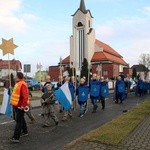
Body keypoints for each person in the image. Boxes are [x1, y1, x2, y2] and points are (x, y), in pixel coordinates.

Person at [9, 72, 30, 143]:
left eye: (15, 76)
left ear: (18, 76)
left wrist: (23, 106)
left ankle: (16, 137)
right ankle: (25, 131)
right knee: (19, 119)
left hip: (20, 106)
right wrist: (11, 101)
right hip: (16, 105)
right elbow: (15, 94)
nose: (14, 76)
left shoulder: (22, 84)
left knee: (19, 121)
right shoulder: (18, 83)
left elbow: (25, 96)